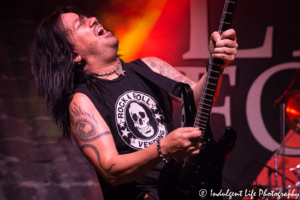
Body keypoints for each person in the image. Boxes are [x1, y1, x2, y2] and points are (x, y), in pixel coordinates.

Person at [31, 6, 238, 200]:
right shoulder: (82, 101)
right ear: (74, 55)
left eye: (87, 17)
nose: (93, 19)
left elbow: (199, 100)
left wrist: (216, 64)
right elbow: (111, 170)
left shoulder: (150, 66)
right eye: (80, 24)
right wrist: (163, 148)